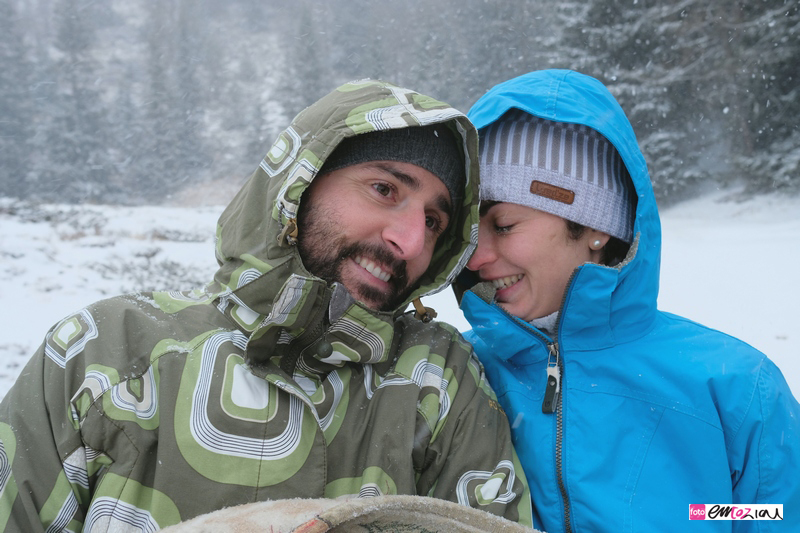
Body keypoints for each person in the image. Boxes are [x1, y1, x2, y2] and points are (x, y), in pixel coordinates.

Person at [0, 79, 532, 531]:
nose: (411, 241)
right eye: (384, 189)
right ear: (301, 182)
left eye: (434, 221)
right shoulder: (104, 353)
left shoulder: (439, 384)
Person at [457, 69, 800, 532]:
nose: (477, 256)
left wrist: (698, 512)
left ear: (596, 226)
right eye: (473, 230)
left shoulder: (737, 387)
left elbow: (770, 513)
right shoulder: (454, 372)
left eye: (503, 225)